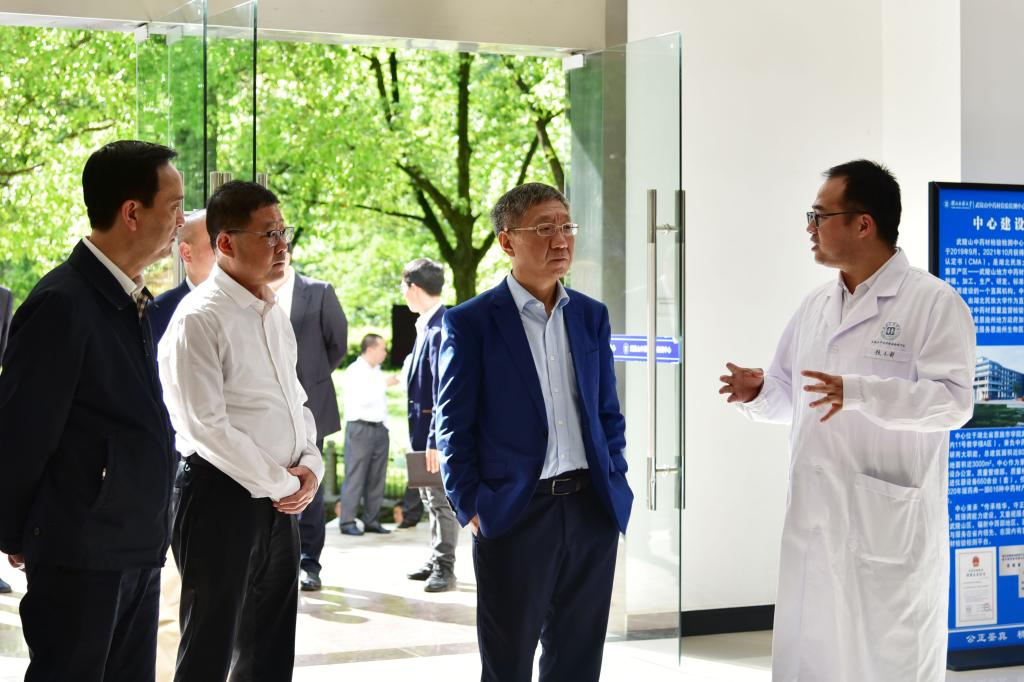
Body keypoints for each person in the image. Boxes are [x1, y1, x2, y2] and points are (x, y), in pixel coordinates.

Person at [719, 160, 975, 681]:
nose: (809, 228)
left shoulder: (933, 302)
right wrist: (760, 391)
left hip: (887, 523)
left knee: (886, 659)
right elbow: (795, 398)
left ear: (863, 223)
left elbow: (953, 403)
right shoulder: (815, 305)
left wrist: (859, 392)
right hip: (815, 520)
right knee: (812, 656)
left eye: (819, 215)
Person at [0, 140, 183, 681]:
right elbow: (22, 432)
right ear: (132, 212)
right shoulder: (63, 302)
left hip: (134, 545)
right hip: (82, 553)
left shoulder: (130, 298)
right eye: (173, 207)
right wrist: (17, 532)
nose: (181, 221)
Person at [436, 182, 633, 681]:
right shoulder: (471, 322)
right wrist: (472, 506)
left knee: (578, 661)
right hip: (515, 513)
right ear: (508, 241)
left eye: (566, 226)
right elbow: (453, 425)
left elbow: (607, 412)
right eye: (544, 228)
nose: (561, 239)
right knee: (508, 663)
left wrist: (616, 478)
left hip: (590, 510)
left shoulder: (590, 315)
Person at [157, 180, 323, 681]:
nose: (282, 245)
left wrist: (310, 466)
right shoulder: (199, 319)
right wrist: (285, 483)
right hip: (220, 499)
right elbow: (206, 426)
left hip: (280, 500)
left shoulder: (273, 312)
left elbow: (296, 401)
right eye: (268, 234)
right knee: (210, 649)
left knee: (270, 648)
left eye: (283, 231)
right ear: (226, 242)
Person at [270, 248, 348, 591]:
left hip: (311, 404)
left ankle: (309, 562)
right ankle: (275, 559)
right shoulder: (256, 291)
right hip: (269, 406)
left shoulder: (319, 291)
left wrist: (310, 379)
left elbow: (338, 344)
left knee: (309, 479)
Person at [401, 257, 458, 592]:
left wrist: (436, 439)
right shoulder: (426, 324)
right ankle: (436, 557)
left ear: (414, 287)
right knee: (429, 499)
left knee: (440, 500)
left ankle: (444, 568)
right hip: (421, 432)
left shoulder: (441, 328)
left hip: (434, 435)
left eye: (403, 286)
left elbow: (442, 389)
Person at [338, 334, 397, 535]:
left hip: (380, 428)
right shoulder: (354, 371)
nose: (385, 353)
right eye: (383, 349)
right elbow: (362, 399)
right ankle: (347, 522)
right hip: (360, 428)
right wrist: (384, 384)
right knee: (355, 476)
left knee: (377, 477)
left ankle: (372, 520)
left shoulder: (377, 371)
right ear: (370, 349)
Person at [149, 209, 215, 341]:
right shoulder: (158, 312)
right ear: (186, 252)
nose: (224, 248)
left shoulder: (242, 302)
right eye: (214, 242)